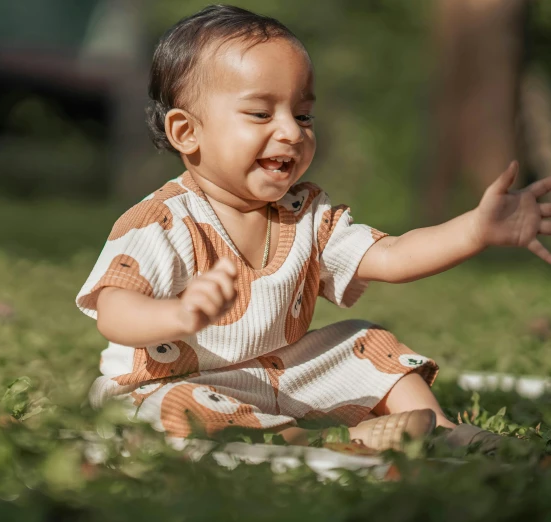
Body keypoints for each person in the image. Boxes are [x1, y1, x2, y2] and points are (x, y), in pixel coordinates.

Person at [75, 5, 551, 452]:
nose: (290, 131)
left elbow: (393, 256)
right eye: (261, 113)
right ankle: (309, 441)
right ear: (187, 132)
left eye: (302, 114)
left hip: (277, 373)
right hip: (171, 380)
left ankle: (439, 430)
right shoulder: (162, 221)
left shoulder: (305, 212)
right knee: (169, 410)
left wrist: (475, 229)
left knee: (366, 342)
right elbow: (116, 311)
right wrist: (178, 315)